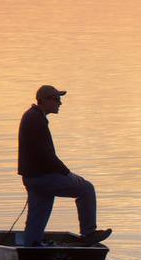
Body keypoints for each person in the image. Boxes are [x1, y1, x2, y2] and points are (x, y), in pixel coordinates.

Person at [17, 85, 111, 247]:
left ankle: (31, 246)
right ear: (44, 100)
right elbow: (46, 155)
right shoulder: (36, 120)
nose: (60, 103)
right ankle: (89, 233)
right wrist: (66, 173)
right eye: (56, 99)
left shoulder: (32, 116)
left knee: (38, 215)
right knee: (86, 189)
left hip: (33, 178)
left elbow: (43, 155)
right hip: (42, 177)